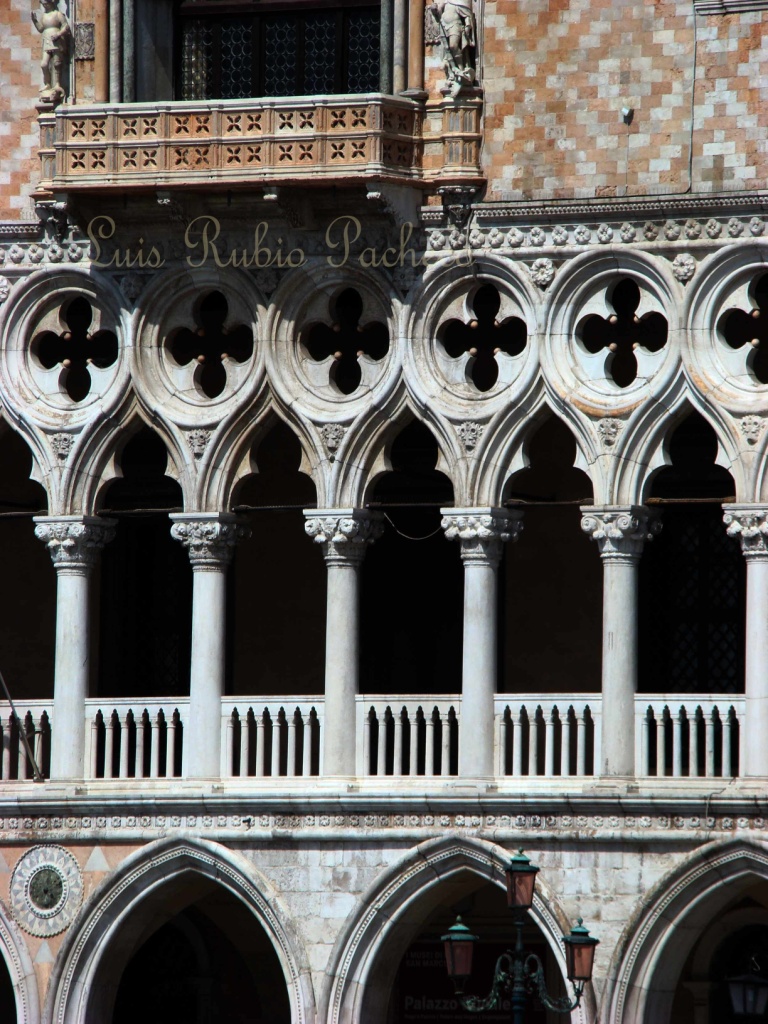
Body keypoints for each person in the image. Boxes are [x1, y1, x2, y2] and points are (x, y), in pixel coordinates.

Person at [429, 0, 476, 93]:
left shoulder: (459, 1)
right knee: (448, 49)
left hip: (455, 25)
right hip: (444, 26)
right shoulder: (444, 2)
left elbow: (466, 14)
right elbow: (437, 12)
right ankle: (453, 73)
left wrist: (467, 25)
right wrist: (434, 9)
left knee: (453, 46)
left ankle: (461, 69)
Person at [31, 0, 71, 104]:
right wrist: (35, 20)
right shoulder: (44, 16)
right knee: (44, 64)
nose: (45, 6)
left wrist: (58, 34)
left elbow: (66, 27)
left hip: (57, 41)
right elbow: (41, 29)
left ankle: (57, 84)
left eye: (46, 4)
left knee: (57, 63)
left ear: (51, 3)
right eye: (43, 4)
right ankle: (47, 83)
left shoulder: (58, 14)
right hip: (47, 40)